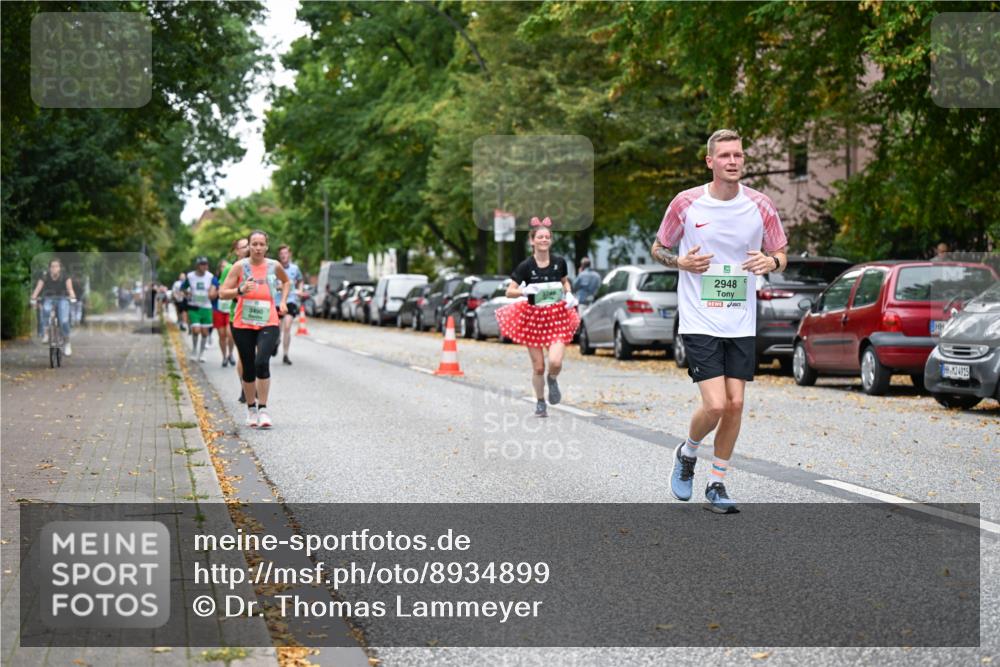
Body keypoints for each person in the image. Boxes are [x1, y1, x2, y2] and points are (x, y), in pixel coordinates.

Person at [650, 129, 788, 514]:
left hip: (741, 321)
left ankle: (717, 483)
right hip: (699, 318)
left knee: (736, 404)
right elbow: (659, 246)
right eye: (725, 155)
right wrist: (680, 261)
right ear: (710, 162)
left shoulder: (761, 205)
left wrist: (770, 261)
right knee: (715, 405)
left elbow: (780, 252)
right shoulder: (686, 203)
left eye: (738, 155)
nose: (733, 161)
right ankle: (687, 453)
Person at [495, 217, 580, 418]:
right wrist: (524, 292)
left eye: (547, 237)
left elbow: (564, 282)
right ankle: (541, 402)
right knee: (539, 367)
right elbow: (509, 292)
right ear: (532, 241)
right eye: (540, 237)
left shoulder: (560, 262)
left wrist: (568, 293)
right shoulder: (526, 266)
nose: (544, 240)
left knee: (556, 362)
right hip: (533, 318)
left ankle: (553, 379)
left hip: (557, 316)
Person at [219, 230, 290, 429]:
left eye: (261, 244)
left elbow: (286, 281)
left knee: (262, 362)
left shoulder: (273, 265)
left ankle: (263, 409)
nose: (258, 248)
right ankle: (251, 408)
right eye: (254, 244)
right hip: (243, 323)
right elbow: (223, 293)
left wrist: (283, 301)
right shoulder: (239, 267)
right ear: (248, 246)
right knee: (248, 366)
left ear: (267, 246)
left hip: (268, 321)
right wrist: (239, 290)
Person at [30, 258, 77, 356]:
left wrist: (72, 297)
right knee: (46, 310)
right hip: (48, 299)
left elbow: (70, 289)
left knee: (64, 320)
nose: (54, 268)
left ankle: (67, 342)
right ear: (49, 268)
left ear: (60, 268)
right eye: (52, 266)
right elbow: (38, 288)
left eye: (56, 266)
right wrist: (33, 298)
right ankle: (46, 333)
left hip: (63, 299)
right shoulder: (45, 277)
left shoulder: (65, 277)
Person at [181, 258, 215, 362]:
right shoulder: (190, 276)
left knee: (205, 333)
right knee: (196, 330)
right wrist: (187, 293)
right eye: (203, 264)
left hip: (206, 307)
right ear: (197, 266)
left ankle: (201, 354)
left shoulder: (210, 276)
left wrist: (213, 292)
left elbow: (216, 286)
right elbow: (183, 288)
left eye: (206, 264)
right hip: (194, 306)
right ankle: (194, 350)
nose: (205, 267)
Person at [276, 245, 305, 365]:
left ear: (289, 255)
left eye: (286, 253)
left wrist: (300, 290)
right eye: (281, 253)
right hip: (277, 302)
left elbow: (301, 280)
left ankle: (285, 354)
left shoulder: (295, 268)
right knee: (277, 328)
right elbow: (271, 283)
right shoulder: (275, 268)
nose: (284, 255)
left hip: (291, 301)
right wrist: (278, 286)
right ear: (279, 256)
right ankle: (276, 342)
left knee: (287, 327)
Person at [210, 258, 236, 368]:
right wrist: (219, 289)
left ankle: (230, 354)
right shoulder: (215, 280)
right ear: (219, 269)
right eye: (222, 267)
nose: (225, 269)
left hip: (230, 310)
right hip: (218, 310)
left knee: (230, 334)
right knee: (222, 335)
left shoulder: (233, 278)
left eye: (227, 267)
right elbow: (211, 296)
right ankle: (224, 356)